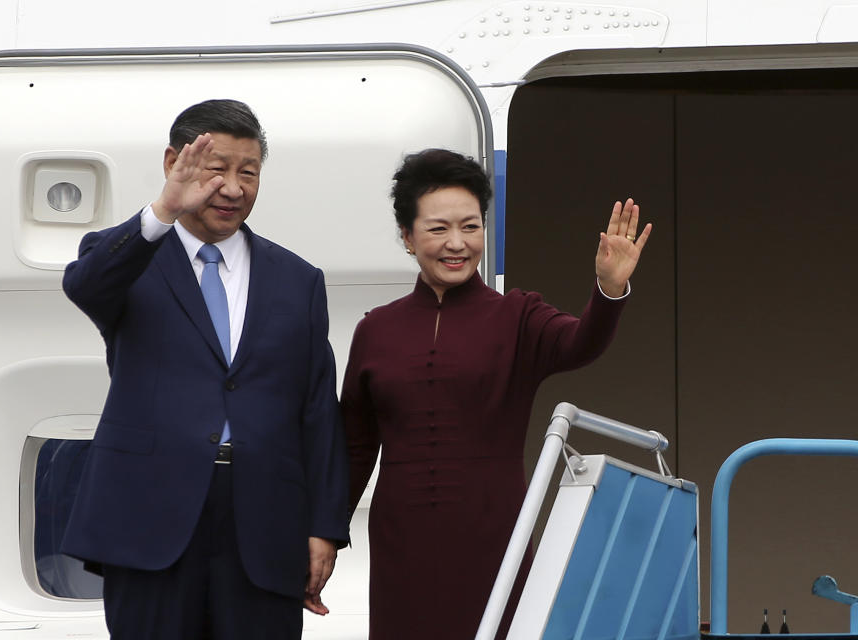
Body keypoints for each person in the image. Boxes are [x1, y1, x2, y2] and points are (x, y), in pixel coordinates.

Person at [60, 99, 349, 639]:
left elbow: (318, 409)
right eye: (218, 170)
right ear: (175, 162)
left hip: (264, 522)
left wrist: (325, 527)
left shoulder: (298, 280)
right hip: (150, 516)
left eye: (249, 172)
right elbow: (84, 285)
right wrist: (163, 210)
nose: (234, 188)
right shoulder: (129, 258)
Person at [340, 148, 652, 639]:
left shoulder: (518, 316)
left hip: (494, 530)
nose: (457, 243)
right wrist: (326, 534)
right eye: (438, 228)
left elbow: (580, 342)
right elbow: (355, 448)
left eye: (471, 226)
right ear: (407, 236)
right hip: (401, 537)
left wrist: (608, 291)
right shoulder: (375, 330)